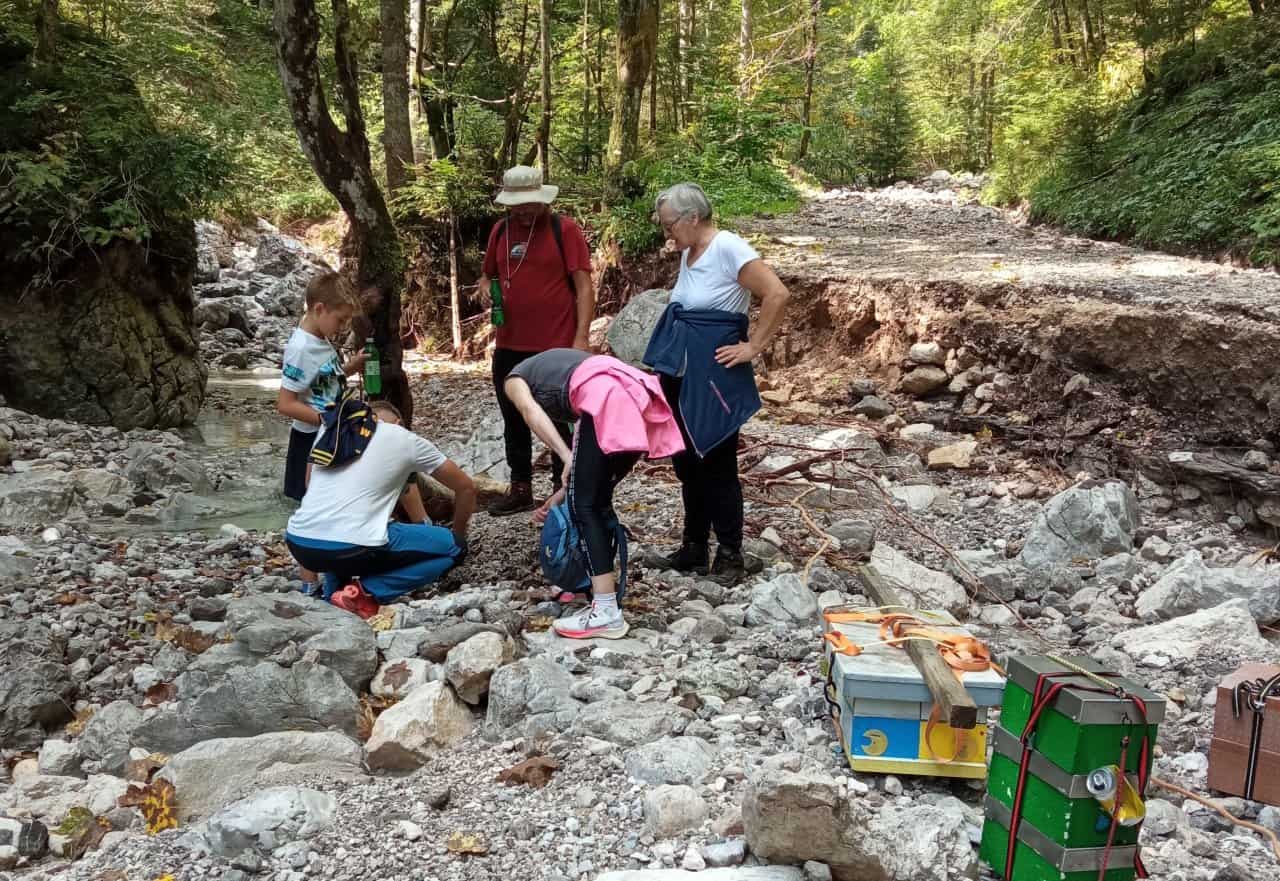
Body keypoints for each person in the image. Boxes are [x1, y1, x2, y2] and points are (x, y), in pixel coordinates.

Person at [645, 182, 790, 583]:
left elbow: (776, 294)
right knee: (687, 460)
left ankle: (730, 554)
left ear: (692, 218)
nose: (666, 232)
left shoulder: (729, 247)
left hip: (714, 373)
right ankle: (694, 546)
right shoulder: (691, 251)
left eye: (669, 224)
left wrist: (753, 346)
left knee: (716, 462)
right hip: (682, 368)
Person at [504, 349, 684, 639]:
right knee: (594, 501)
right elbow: (588, 452)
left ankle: (605, 611)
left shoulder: (513, 378)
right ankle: (594, 588)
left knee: (585, 507)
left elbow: (530, 412)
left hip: (611, 396)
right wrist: (565, 489)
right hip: (635, 393)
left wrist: (566, 456)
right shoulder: (565, 367)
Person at [284, 399, 477, 617]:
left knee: (339, 535)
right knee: (454, 548)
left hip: (299, 544)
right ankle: (366, 592)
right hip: (353, 547)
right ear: (399, 422)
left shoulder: (333, 430)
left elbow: (310, 485)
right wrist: (459, 534)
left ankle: (335, 597)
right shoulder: (404, 438)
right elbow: (466, 488)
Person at [477, 165, 595, 517]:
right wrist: (485, 285)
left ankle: (565, 487)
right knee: (513, 416)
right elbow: (488, 274)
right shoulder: (500, 231)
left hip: (555, 347)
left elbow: (584, 286)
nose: (525, 210)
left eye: (530, 203)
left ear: (542, 199)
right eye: (517, 205)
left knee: (558, 417)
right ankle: (520, 487)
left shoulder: (565, 230)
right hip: (509, 343)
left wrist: (581, 338)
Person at [275, 272, 368, 596]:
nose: (342, 327)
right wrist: (326, 419)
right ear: (319, 309)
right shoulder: (301, 348)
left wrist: (350, 368)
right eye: (340, 320)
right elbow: (285, 403)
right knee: (312, 508)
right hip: (311, 439)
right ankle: (309, 583)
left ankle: (333, 574)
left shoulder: (319, 339)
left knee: (334, 502)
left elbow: (322, 381)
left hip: (330, 432)